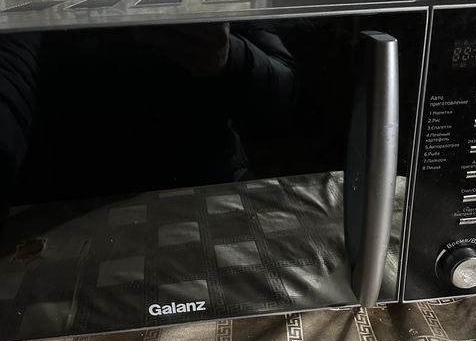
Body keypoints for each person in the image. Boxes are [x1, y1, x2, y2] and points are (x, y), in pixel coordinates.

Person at [0, 21, 295, 216]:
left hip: (211, 183)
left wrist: (229, 57)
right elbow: (11, 70)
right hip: (75, 198)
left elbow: (284, 94)